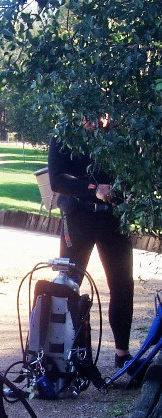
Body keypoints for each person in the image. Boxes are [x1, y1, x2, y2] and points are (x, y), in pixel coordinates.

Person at [48, 121, 134, 370]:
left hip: (114, 218)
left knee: (122, 285)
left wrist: (127, 191)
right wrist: (94, 189)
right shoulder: (64, 132)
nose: (95, 121)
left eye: (102, 115)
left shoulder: (122, 130)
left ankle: (122, 354)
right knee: (68, 285)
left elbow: (133, 171)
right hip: (78, 216)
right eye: (89, 116)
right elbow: (57, 180)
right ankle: (63, 356)